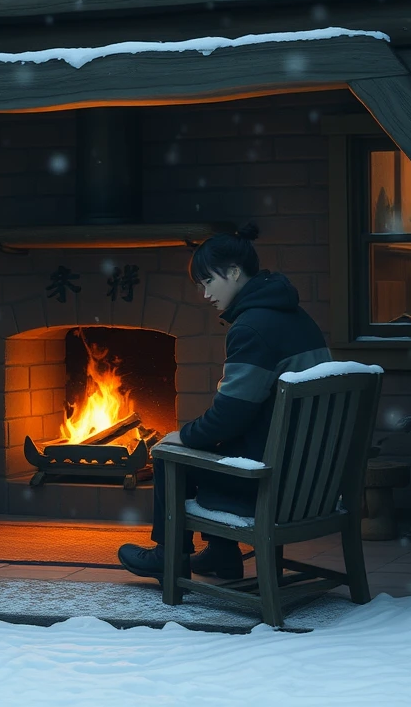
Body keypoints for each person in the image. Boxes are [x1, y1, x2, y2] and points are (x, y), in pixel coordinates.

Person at [118, 223, 331, 581]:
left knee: (170, 457)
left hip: (270, 483)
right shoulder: (296, 317)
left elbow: (230, 414)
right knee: (211, 445)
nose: (205, 295)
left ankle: (169, 557)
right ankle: (221, 555)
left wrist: (182, 437)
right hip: (310, 480)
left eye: (208, 282)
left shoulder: (252, 327)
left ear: (233, 272)